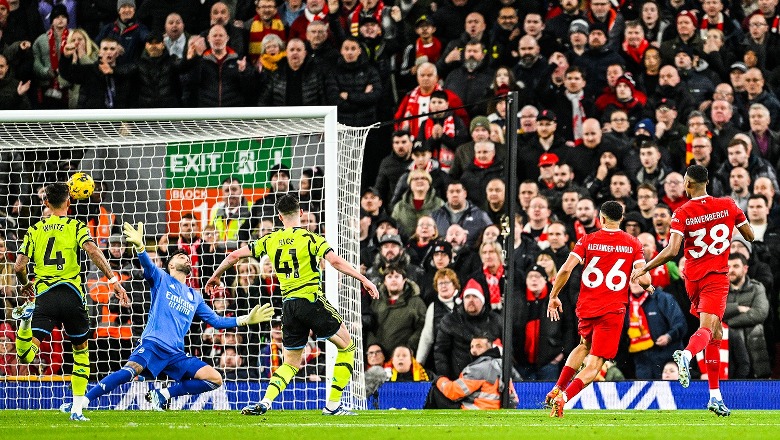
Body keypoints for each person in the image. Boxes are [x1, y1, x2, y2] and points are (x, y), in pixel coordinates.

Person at [59, 224, 274, 419]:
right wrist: (141, 247)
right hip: (153, 344)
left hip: (175, 353)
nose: (185, 258)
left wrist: (245, 320)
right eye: (180, 256)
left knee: (214, 378)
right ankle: (81, 402)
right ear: (170, 264)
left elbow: (216, 321)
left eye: (187, 257)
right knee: (129, 371)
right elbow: (148, 266)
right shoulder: (161, 279)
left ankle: (162, 394)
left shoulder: (194, 295)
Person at [205, 194, 379, 416]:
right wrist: (363, 279)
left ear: (279, 217)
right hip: (311, 300)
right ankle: (333, 405)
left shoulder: (270, 239)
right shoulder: (311, 238)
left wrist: (215, 276)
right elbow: (334, 261)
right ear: (302, 214)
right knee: (347, 347)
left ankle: (265, 402)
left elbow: (234, 256)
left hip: (288, 307)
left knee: (291, 363)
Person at [631, 164, 754, 417]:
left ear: (687, 184)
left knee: (716, 331)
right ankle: (687, 355)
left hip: (692, 279)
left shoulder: (682, 212)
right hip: (716, 278)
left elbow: (673, 251)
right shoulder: (729, 205)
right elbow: (750, 236)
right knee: (708, 329)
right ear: (707, 182)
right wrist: (736, 220)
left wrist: (647, 266)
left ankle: (715, 396)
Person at [12, 182, 129, 421]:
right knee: (80, 352)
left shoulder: (34, 229)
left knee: (26, 354)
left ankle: (24, 324)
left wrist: (25, 283)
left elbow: (19, 266)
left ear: (45, 203)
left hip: (45, 296)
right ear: (69, 202)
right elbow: (94, 251)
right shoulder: (76, 226)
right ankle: (77, 409)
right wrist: (114, 281)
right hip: (72, 295)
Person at [546, 200, 651, 418]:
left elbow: (565, 269)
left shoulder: (587, 240)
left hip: (586, 306)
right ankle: (563, 398)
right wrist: (647, 284)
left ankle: (558, 387)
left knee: (584, 345)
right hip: (612, 310)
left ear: (600, 219)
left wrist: (554, 295)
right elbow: (643, 277)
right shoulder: (633, 244)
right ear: (621, 219)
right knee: (595, 365)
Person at [424, 333, 518, 410]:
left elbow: (453, 392)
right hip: (495, 414)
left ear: (489, 347)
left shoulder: (478, 368)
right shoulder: (501, 364)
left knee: (435, 391)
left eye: (479, 346)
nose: (473, 350)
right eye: (472, 346)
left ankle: (426, 424)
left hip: (474, 412)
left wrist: (439, 379)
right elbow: (514, 399)